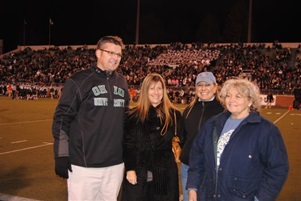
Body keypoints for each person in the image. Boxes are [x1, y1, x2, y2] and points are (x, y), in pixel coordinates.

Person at [52, 35, 129, 201]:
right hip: (84, 166)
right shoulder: (78, 81)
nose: (115, 58)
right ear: (98, 53)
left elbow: (125, 120)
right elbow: (61, 118)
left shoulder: (122, 82)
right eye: (111, 52)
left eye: (119, 54)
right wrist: (61, 154)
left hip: (115, 165)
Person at [187, 78, 289, 201]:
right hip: (210, 195)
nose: (232, 100)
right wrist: (193, 187)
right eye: (228, 96)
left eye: (238, 96)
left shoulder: (266, 130)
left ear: (250, 101)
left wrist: (261, 198)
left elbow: (278, 168)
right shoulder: (212, 124)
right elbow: (197, 155)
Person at [121, 73, 182, 201]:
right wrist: (130, 168)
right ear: (145, 90)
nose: (156, 92)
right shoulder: (133, 116)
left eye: (159, 88)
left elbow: (185, 139)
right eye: (152, 88)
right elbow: (128, 145)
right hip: (140, 172)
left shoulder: (174, 115)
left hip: (164, 173)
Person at [179, 72, 224, 201]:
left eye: (207, 84)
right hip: (188, 168)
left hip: (212, 170)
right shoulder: (189, 110)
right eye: (200, 85)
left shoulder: (223, 111)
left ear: (215, 87)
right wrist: (189, 152)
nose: (203, 88)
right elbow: (183, 137)